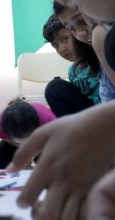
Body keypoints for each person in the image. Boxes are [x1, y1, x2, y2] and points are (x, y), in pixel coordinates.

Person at [7, 1, 115, 219]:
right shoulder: (103, 37)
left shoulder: (102, 35)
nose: (84, 29)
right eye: (73, 26)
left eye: (79, 16)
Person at [43, 14, 101, 117]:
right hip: (92, 116)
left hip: (109, 110)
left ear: (76, 32)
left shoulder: (101, 54)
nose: (61, 49)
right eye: (55, 45)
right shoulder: (73, 72)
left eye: (64, 39)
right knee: (54, 87)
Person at [0, 97, 56, 169]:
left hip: (43, 139)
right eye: (17, 142)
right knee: (1, 156)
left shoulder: (49, 121)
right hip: (17, 139)